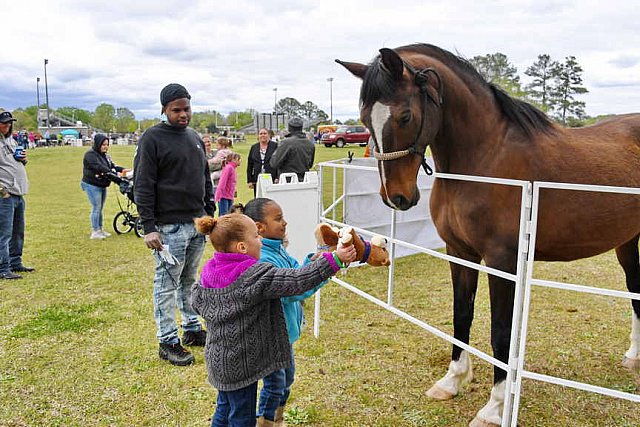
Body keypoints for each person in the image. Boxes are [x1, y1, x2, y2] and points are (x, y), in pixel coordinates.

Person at [191, 213, 356, 427]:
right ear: (242, 247)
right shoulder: (255, 275)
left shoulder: (209, 270)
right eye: (256, 236)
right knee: (242, 417)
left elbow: (196, 300)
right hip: (243, 365)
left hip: (219, 361)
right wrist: (335, 259)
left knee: (224, 409)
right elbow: (297, 280)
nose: (260, 240)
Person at [133, 83, 214, 366]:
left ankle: (191, 328)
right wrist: (148, 227)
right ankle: (167, 340)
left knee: (190, 280)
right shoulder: (152, 138)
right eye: (176, 110)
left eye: (186, 108)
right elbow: (143, 184)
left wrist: (210, 211)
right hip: (168, 228)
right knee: (166, 284)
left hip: (196, 224)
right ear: (164, 110)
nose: (183, 114)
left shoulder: (193, 137)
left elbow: (205, 177)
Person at [242, 198, 326, 426]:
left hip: (284, 335)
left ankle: (277, 417)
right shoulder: (263, 258)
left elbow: (297, 272)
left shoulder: (278, 249)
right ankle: (266, 421)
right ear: (259, 227)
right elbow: (294, 290)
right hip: (271, 337)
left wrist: (314, 262)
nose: (285, 223)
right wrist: (325, 270)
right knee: (276, 383)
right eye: (278, 219)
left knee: (286, 380)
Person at [0, 111, 34, 280]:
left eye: (9, 123)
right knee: (4, 233)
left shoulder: (10, 140)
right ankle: (2, 268)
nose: (7, 126)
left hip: (19, 194)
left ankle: (15, 262)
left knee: (17, 232)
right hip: (5, 195)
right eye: (3, 123)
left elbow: (14, 162)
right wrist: (3, 191)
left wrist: (23, 159)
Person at [81, 134, 128, 239]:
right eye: (103, 145)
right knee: (96, 207)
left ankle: (100, 229)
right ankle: (95, 231)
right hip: (91, 184)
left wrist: (125, 170)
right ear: (98, 144)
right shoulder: (90, 155)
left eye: (107, 145)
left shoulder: (105, 156)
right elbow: (101, 168)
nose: (105, 147)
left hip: (101, 184)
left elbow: (113, 166)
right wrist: (117, 178)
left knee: (100, 208)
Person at [270, 117, 315, 183]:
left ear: (289, 128)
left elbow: (274, 163)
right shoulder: (310, 144)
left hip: (287, 181)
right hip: (304, 181)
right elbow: (310, 164)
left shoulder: (286, 143)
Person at [247, 128, 277, 197]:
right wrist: (249, 180)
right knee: (258, 197)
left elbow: (278, 162)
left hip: (271, 177)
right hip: (257, 178)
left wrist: (277, 177)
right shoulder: (254, 147)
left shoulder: (275, 146)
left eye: (265, 133)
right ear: (258, 136)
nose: (263, 135)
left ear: (268, 135)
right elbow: (250, 164)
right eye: (261, 134)